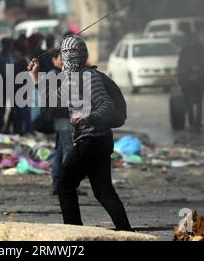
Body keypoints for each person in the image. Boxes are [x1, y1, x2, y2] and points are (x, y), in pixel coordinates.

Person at [28, 35, 132, 230]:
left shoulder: (89, 77)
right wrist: (35, 75)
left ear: (67, 57)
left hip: (91, 141)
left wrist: (88, 117)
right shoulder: (72, 79)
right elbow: (52, 99)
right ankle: (127, 231)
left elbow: (107, 106)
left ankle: (74, 231)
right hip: (98, 142)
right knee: (103, 191)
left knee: (64, 185)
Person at [48, 49, 73, 196]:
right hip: (62, 118)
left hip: (62, 118)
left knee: (60, 152)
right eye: (60, 58)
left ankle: (57, 184)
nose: (63, 61)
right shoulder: (56, 75)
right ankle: (66, 185)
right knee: (68, 152)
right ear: (53, 60)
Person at [177, 33, 204, 131]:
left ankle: (198, 121)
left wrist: (199, 68)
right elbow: (180, 65)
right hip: (187, 78)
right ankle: (192, 121)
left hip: (199, 78)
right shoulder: (185, 50)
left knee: (199, 101)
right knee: (189, 101)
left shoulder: (201, 49)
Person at [12, 39, 32, 135]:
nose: (14, 53)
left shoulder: (24, 63)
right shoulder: (16, 63)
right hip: (15, 93)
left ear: (19, 52)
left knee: (24, 114)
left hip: (23, 93)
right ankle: (19, 132)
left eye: (15, 51)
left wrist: (27, 93)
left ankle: (27, 131)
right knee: (17, 115)